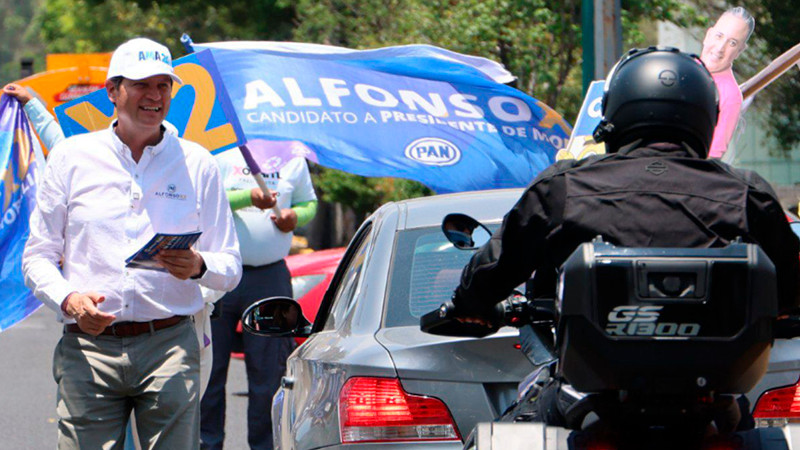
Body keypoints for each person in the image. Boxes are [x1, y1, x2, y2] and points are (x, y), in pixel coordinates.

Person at [452, 46, 799, 328]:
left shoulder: (562, 187)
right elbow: (791, 281)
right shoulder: (745, 193)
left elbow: (497, 267)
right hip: (714, 392)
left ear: (613, 112)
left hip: (588, 390)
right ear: (706, 115)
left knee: (532, 409)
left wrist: (468, 304)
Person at [22, 37, 242, 449]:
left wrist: (198, 266)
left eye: (163, 86)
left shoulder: (199, 164)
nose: (154, 96)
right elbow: (37, 257)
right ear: (112, 92)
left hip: (170, 344)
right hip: (89, 347)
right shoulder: (71, 158)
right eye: (142, 85)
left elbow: (230, 265)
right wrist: (69, 300)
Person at [3, 82, 220, 399]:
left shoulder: (198, 168)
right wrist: (33, 104)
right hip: (100, 338)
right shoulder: (89, 161)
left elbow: (223, 259)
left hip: (180, 325)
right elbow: (59, 144)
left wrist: (200, 267)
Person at [201, 149, 317, 449]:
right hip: (218, 275)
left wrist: (295, 216)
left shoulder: (292, 157)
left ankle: (267, 445)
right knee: (209, 376)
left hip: (269, 276)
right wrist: (248, 197)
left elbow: (309, 203)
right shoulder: (221, 152)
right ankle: (206, 444)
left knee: (269, 375)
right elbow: (204, 199)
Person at [700, 7, 755, 160]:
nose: (720, 48)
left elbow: (710, 159)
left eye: (732, 43)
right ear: (708, 35)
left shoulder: (730, 96)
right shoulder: (680, 68)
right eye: (718, 36)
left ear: (739, 51)